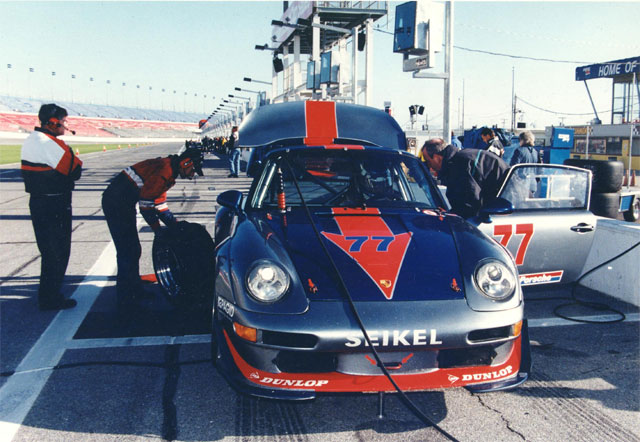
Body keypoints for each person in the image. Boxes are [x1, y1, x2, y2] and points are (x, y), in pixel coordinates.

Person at [101, 148, 203, 309]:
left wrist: (174, 224)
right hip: (116, 202)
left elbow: (160, 204)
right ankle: (126, 299)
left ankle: (134, 289)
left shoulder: (169, 171)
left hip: (123, 201)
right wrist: (158, 230)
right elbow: (146, 206)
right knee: (128, 250)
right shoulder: (165, 171)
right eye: (193, 169)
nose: (193, 174)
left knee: (133, 249)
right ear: (185, 163)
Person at [21, 103, 83, 310]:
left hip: (39, 202)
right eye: (63, 121)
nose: (65, 125)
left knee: (49, 252)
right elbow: (75, 170)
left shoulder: (32, 139)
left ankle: (48, 295)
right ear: (53, 122)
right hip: (55, 203)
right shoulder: (49, 144)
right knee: (59, 252)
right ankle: (50, 298)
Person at [421, 138, 509, 219]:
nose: (429, 166)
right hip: (501, 206)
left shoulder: (460, 164)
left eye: (428, 161)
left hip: (506, 209)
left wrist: (447, 216)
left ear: (436, 157)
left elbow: (469, 206)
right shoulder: (461, 157)